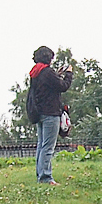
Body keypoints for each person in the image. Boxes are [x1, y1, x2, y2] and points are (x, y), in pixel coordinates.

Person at [26, 46, 72, 185]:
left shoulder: (35, 73)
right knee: (48, 147)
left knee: (41, 146)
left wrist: (56, 75)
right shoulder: (47, 72)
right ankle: (46, 177)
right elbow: (63, 86)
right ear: (48, 58)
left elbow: (47, 87)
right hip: (51, 113)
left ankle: (41, 174)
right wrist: (68, 74)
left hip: (39, 113)